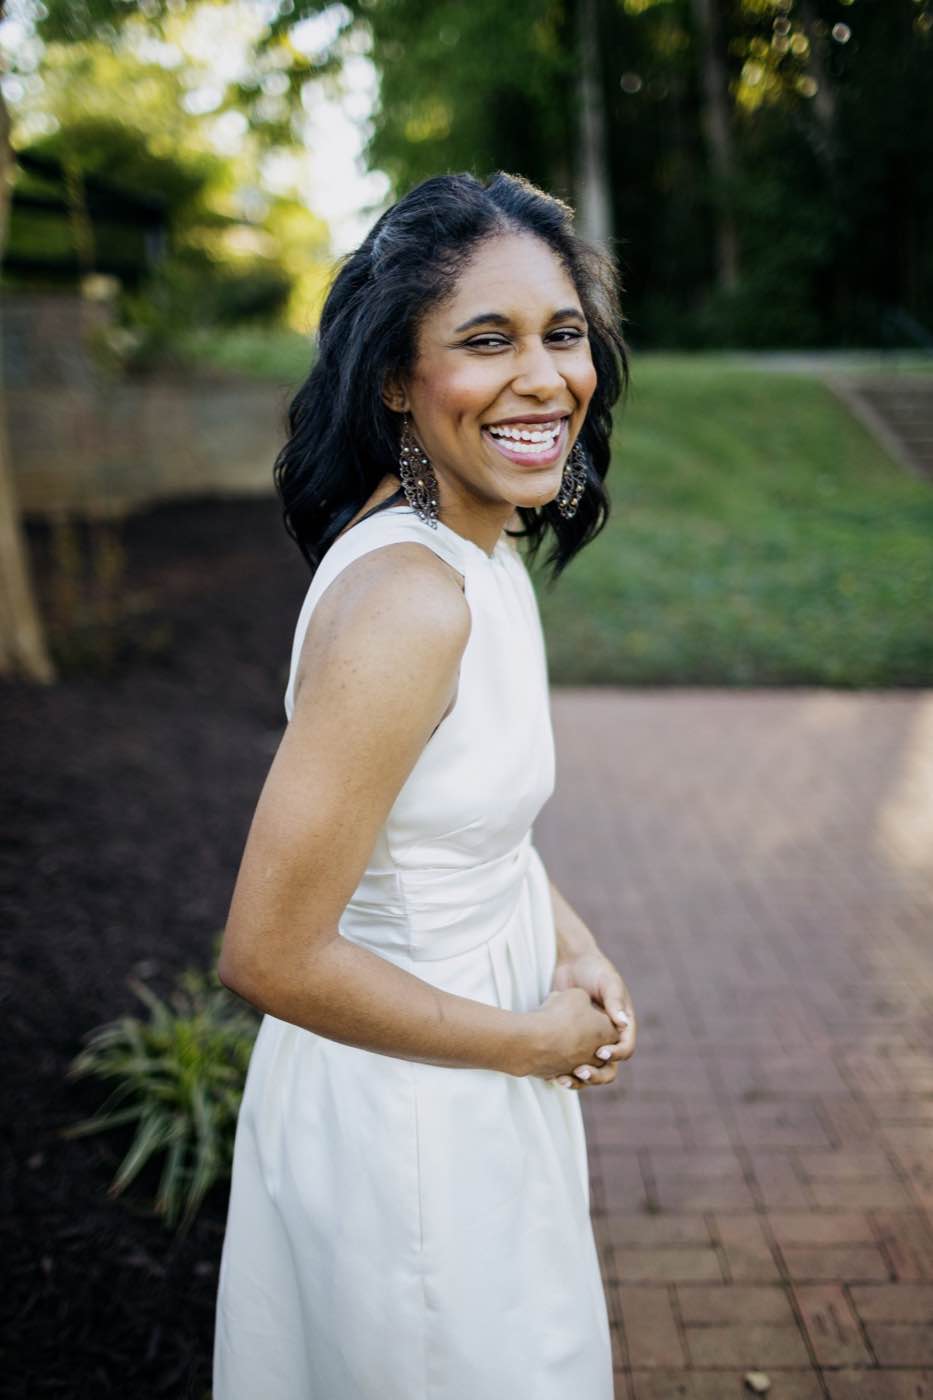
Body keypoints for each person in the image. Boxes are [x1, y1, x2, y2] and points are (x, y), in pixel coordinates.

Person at [213, 170, 637, 1400]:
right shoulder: (410, 602)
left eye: (563, 334)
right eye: (487, 340)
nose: (543, 377)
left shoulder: (478, 554)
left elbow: (461, 829)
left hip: (482, 1072)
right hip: (406, 1119)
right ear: (398, 377)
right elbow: (267, 952)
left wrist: (575, 946)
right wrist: (531, 1041)